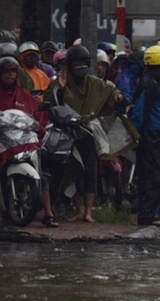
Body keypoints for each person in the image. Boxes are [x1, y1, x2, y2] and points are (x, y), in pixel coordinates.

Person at [0, 55, 58, 226]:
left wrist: (42, 110)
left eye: (13, 72)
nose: (10, 75)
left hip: (21, 141)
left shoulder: (23, 94)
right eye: (6, 72)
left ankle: (49, 214)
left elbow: (36, 110)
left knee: (41, 174)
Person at [48, 46, 122, 222]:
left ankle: (88, 212)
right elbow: (51, 102)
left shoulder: (94, 83)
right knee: (72, 173)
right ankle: (79, 210)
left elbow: (110, 91)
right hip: (67, 134)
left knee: (91, 172)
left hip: (88, 133)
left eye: (84, 63)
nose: (81, 67)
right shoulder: (59, 82)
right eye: (77, 63)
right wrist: (61, 88)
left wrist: (118, 95)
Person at [126, 43, 160, 226]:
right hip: (150, 135)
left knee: (154, 173)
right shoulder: (150, 84)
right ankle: (148, 215)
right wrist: (140, 133)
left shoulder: (152, 82)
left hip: (153, 134)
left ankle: (151, 213)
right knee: (152, 175)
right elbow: (140, 113)